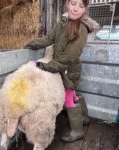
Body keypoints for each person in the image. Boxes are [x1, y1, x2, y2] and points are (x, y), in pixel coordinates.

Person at [24, 0, 99, 142]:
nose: (76, 9)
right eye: (73, 4)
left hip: (69, 70)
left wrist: (45, 66)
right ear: (67, 4)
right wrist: (30, 45)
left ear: (85, 9)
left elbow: (69, 57)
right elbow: (48, 39)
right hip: (60, 67)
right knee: (73, 94)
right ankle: (84, 118)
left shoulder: (81, 28)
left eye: (81, 6)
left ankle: (77, 131)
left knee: (68, 98)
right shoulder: (62, 23)